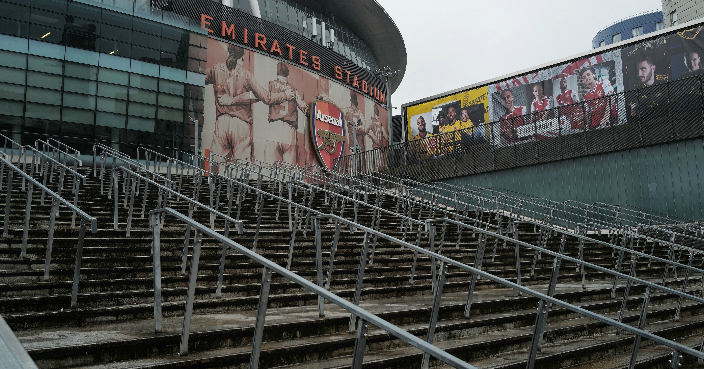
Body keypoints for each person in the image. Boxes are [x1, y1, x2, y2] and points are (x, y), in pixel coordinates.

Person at [206, 44, 293, 161]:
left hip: (221, 122)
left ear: (228, 54)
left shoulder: (215, 69)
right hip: (241, 124)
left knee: (215, 168)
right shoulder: (247, 75)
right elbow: (267, 98)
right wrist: (285, 95)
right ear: (242, 58)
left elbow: (196, 76)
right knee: (241, 171)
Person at [266, 62, 308, 165]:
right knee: (288, 171)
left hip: (274, 127)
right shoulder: (293, 90)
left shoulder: (271, 84)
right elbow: (304, 107)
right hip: (289, 130)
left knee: (271, 169)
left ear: (277, 74)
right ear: (288, 75)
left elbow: (261, 96)